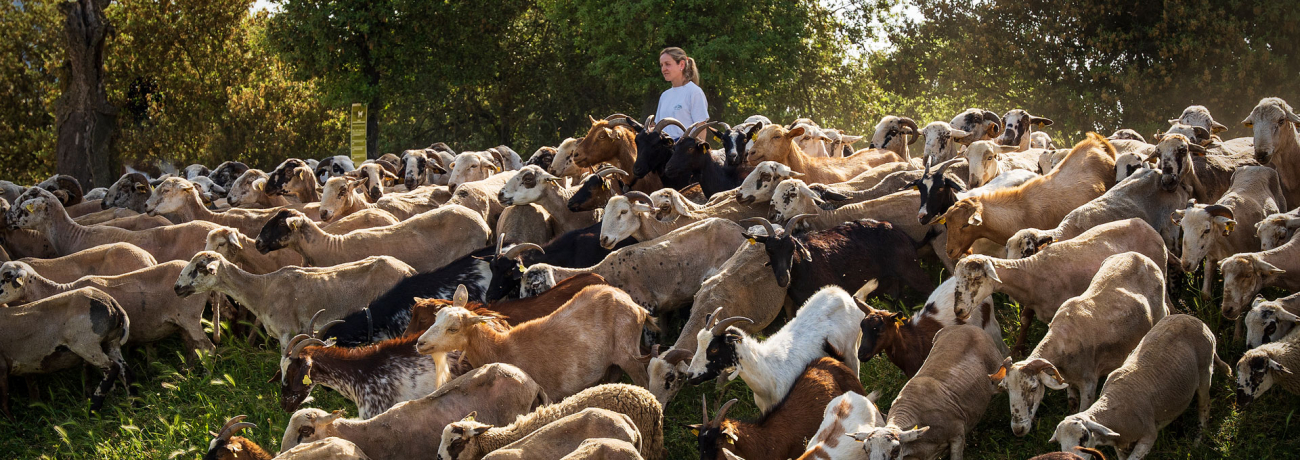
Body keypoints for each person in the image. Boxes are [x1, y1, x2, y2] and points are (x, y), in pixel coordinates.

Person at [655, 47, 709, 140]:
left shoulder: (694, 92)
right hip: (663, 151)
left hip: (684, 151)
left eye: (667, 64)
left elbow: (701, 129)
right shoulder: (664, 95)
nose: (663, 69)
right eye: (662, 65)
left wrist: (695, 152)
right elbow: (656, 128)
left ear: (681, 65)